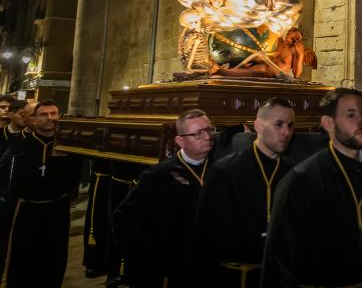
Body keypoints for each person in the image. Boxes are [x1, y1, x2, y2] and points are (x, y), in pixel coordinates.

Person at [262, 88, 362, 288]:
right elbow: (282, 259)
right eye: (351, 115)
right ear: (328, 123)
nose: (361, 121)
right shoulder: (302, 179)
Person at [188, 99, 295, 287]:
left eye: (290, 125)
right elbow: (203, 237)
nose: (286, 132)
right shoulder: (225, 170)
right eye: (279, 124)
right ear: (258, 125)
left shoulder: (294, 173)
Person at [112, 109, 215, 288]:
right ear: (180, 141)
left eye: (209, 130)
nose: (207, 137)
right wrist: (148, 259)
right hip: (170, 268)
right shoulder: (158, 174)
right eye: (198, 134)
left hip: (209, 264)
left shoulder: (220, 169)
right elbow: (123, 218)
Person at [0, 100, 81, 287]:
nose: (50, 118)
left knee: (54, 257)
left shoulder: (69, 145)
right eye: (44, 114)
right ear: (34, 120)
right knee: (23, 258)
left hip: (57, 208)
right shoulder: (21, 145)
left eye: (54, 114)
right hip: (28, 208)